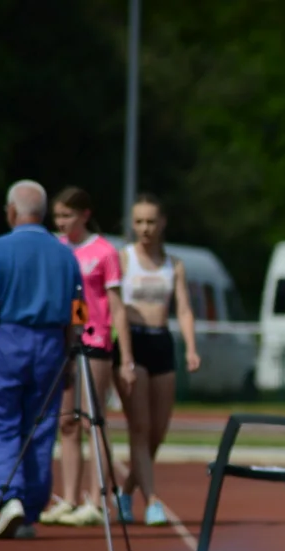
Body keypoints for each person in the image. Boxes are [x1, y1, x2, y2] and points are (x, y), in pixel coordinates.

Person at [0, 180, 84, 540]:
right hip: (51, 343)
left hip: (7, 341)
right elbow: (77, 311)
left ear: (11, 210)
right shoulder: (65, 253)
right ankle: (31, 507)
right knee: (39, 426)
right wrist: (70, 352)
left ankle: (8, 498)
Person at [38, 188, 137, 527]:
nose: (62, 223)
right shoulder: (56, 248)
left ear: (84, 214)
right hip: (62, 341)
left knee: (92, 421)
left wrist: (126, 357)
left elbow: (116, 306)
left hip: (94, 343)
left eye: (68, 215)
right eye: (58, 216)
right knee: (66, 421)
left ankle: (96, 500)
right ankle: (68, 497)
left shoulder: (104, 252)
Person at [113, 193, 200, 527]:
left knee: (158, 434)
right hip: (132, 342)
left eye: (151, 221)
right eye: (139, 222)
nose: (145, 228)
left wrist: (191, 348)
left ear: (162, 223)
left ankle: (126, 492)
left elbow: (185, 308)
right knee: (139, 427)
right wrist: (123, 355)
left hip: (162, 342)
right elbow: (115, 305)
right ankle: (151, 501)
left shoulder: (173, 264)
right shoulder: (124, 259)